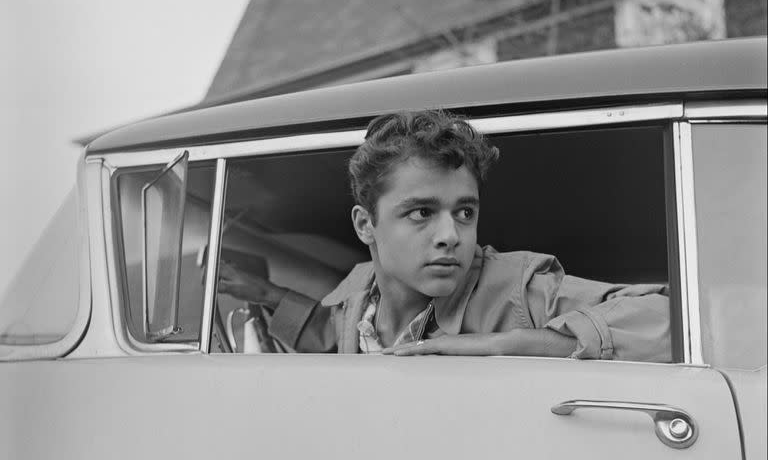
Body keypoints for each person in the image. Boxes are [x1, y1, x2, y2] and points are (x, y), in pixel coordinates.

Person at [218, 109, 671, 361]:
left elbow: (669, 318)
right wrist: (267, 292)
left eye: (465, 212)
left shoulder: (518, 287)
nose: (450, 235)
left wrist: (509, 345)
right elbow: (329, 335)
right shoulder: (358, 289)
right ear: (365, 225)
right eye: (421, 213)